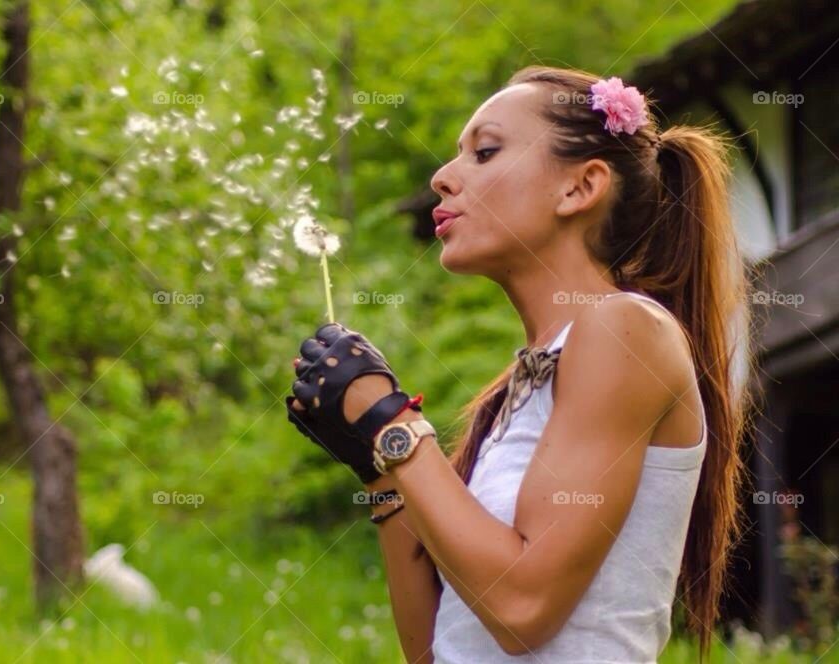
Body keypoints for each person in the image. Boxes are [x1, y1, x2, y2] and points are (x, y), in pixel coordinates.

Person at [286, 65, 752, 663]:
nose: (442, 178)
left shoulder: (624, 327)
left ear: (579, 188)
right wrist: (377, 468)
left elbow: (522, 611)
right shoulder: (518, 394)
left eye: (484, 152)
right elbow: (435, 650)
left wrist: (389, 422)